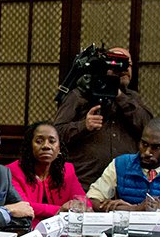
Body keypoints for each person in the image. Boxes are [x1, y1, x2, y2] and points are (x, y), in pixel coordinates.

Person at [55, 47, 153, 191]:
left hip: (125, 183)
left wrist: (120, 97)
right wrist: (83, 126)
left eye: (128, 64)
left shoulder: (133, 99)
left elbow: (150, 128)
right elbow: (56, 134)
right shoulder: (79, 95)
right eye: (116, 63)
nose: (124, 68)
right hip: (85, 182)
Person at [86, 118, 160, 211]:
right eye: (144, 144)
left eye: (156, 147)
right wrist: (133, 209)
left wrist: (157, 209)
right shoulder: (121, 164)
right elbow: (91, 199)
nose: (147, 152)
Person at [7, 121, 88, 224]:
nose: (46, 146)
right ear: (30, 146)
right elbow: (23, 206)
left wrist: (80, 206)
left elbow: (83, 202)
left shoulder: (67, 170)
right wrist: (61, 210)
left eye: (52, 141)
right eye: (39, 141)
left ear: (59, 148)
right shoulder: (12, 171)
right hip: (26, 231)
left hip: (61, 232)